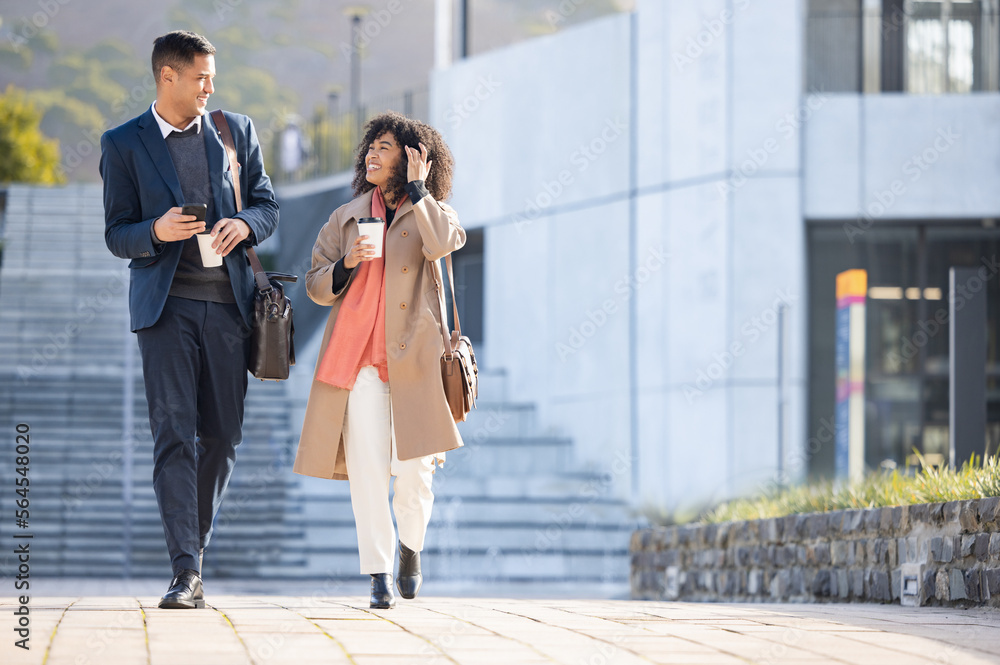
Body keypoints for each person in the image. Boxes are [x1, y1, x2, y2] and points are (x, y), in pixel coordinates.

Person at [100, 30, 279, 609]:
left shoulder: (236, 131)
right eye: (200, 76)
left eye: (212, 78)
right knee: (173, 436)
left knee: (222, 436)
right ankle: (186, 570)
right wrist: (155, 231)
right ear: (167, 76)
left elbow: (268, 204)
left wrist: (245, 224)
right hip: (165, 309)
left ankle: (190, 553)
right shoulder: (122, 143)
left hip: (228, 308)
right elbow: (116, 233)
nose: (209, 87)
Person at [293, 111, 465, 609]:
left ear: (412, 158)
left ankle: (411, 546)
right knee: (368, 470)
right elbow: (315, 285)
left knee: (414, 473)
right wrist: (347, 264)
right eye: (371, 145)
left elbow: (443, 243)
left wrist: (419, 192)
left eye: (385, 147)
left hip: (415, 361)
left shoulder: (435, 211)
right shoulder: (344, 218)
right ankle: (378, 573)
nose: (372, 153)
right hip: (360, 360)